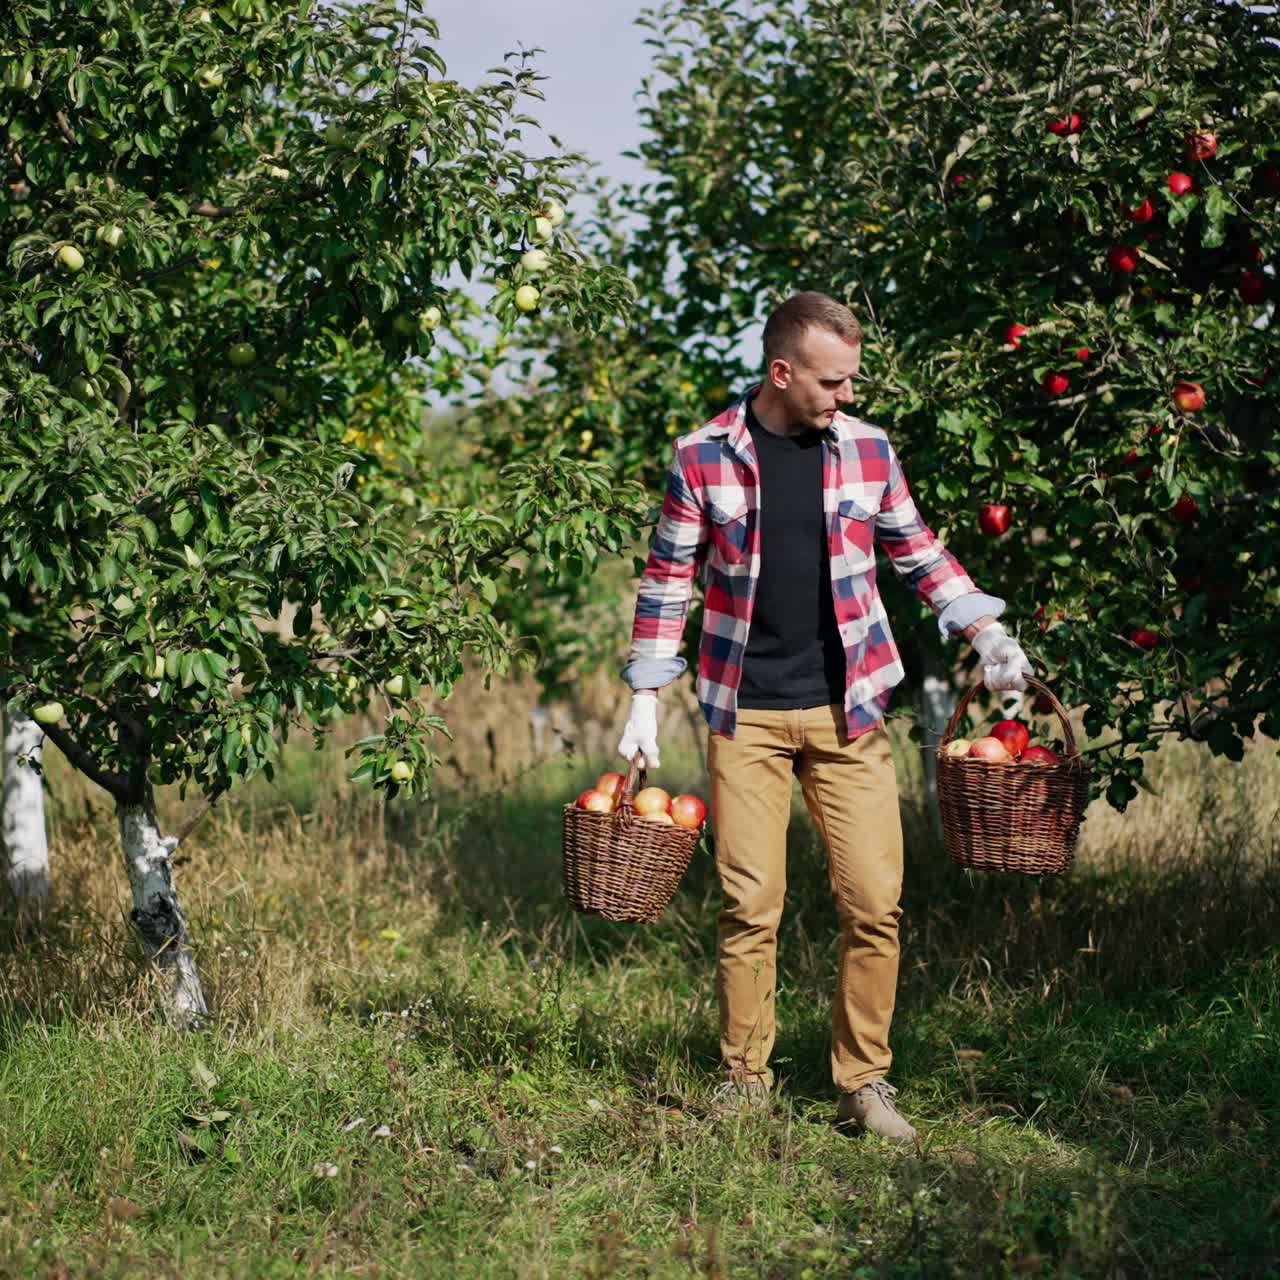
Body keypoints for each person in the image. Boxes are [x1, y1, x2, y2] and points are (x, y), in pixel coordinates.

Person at [616, 292, 1032, 1142]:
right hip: (747, 711)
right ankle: (743, 1078)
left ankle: (863, 1083)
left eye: (851, 380)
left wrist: (986, 630)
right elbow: (668, 582)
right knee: (749, 904)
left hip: (849, 711)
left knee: (875, 902)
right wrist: (644, 696)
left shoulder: (869, 450)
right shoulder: (702, 458)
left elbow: (918, 552)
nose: (847, 395)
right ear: (782, 372)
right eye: (833, 381)